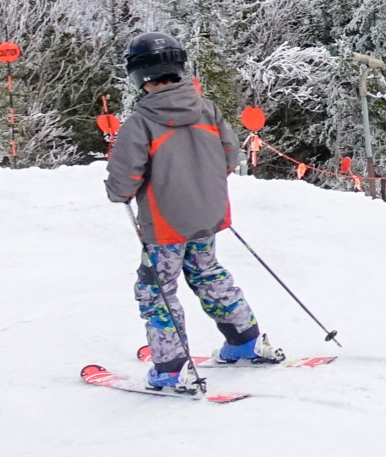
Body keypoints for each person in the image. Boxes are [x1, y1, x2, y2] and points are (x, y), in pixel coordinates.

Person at [104, 32, 283, 390]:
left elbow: (124, 181)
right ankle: (245, 341)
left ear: (139, 76)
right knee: (208, 272)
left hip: (166, 225)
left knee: (156, 288)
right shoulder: (207, 109)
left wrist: (117, 191)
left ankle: (170, 367)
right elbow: (230, 157)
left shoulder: (140, 122)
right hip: (208, 216)